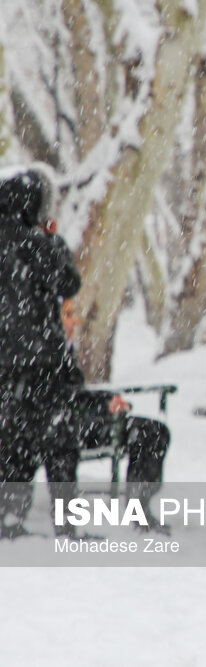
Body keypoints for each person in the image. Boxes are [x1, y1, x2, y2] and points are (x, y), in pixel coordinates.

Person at [0, 166, 81, 538]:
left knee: (12, 440)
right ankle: (67, 520)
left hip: (5, 362)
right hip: (41, 360)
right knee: (58, 439)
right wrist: (52, 240)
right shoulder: (34, 243)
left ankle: (10, 516)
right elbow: (69, 281)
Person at [59, 298, 170, 520]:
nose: (75, 320)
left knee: (155, 431)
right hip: (68, 428)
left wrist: (108, 399)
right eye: (68, 315)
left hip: (85, 421)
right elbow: (60, 396)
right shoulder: (44, 355)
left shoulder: (63, 350)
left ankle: (140, 503)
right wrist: (102, 403)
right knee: (149, 433)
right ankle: (138, 509)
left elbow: (76, 393)